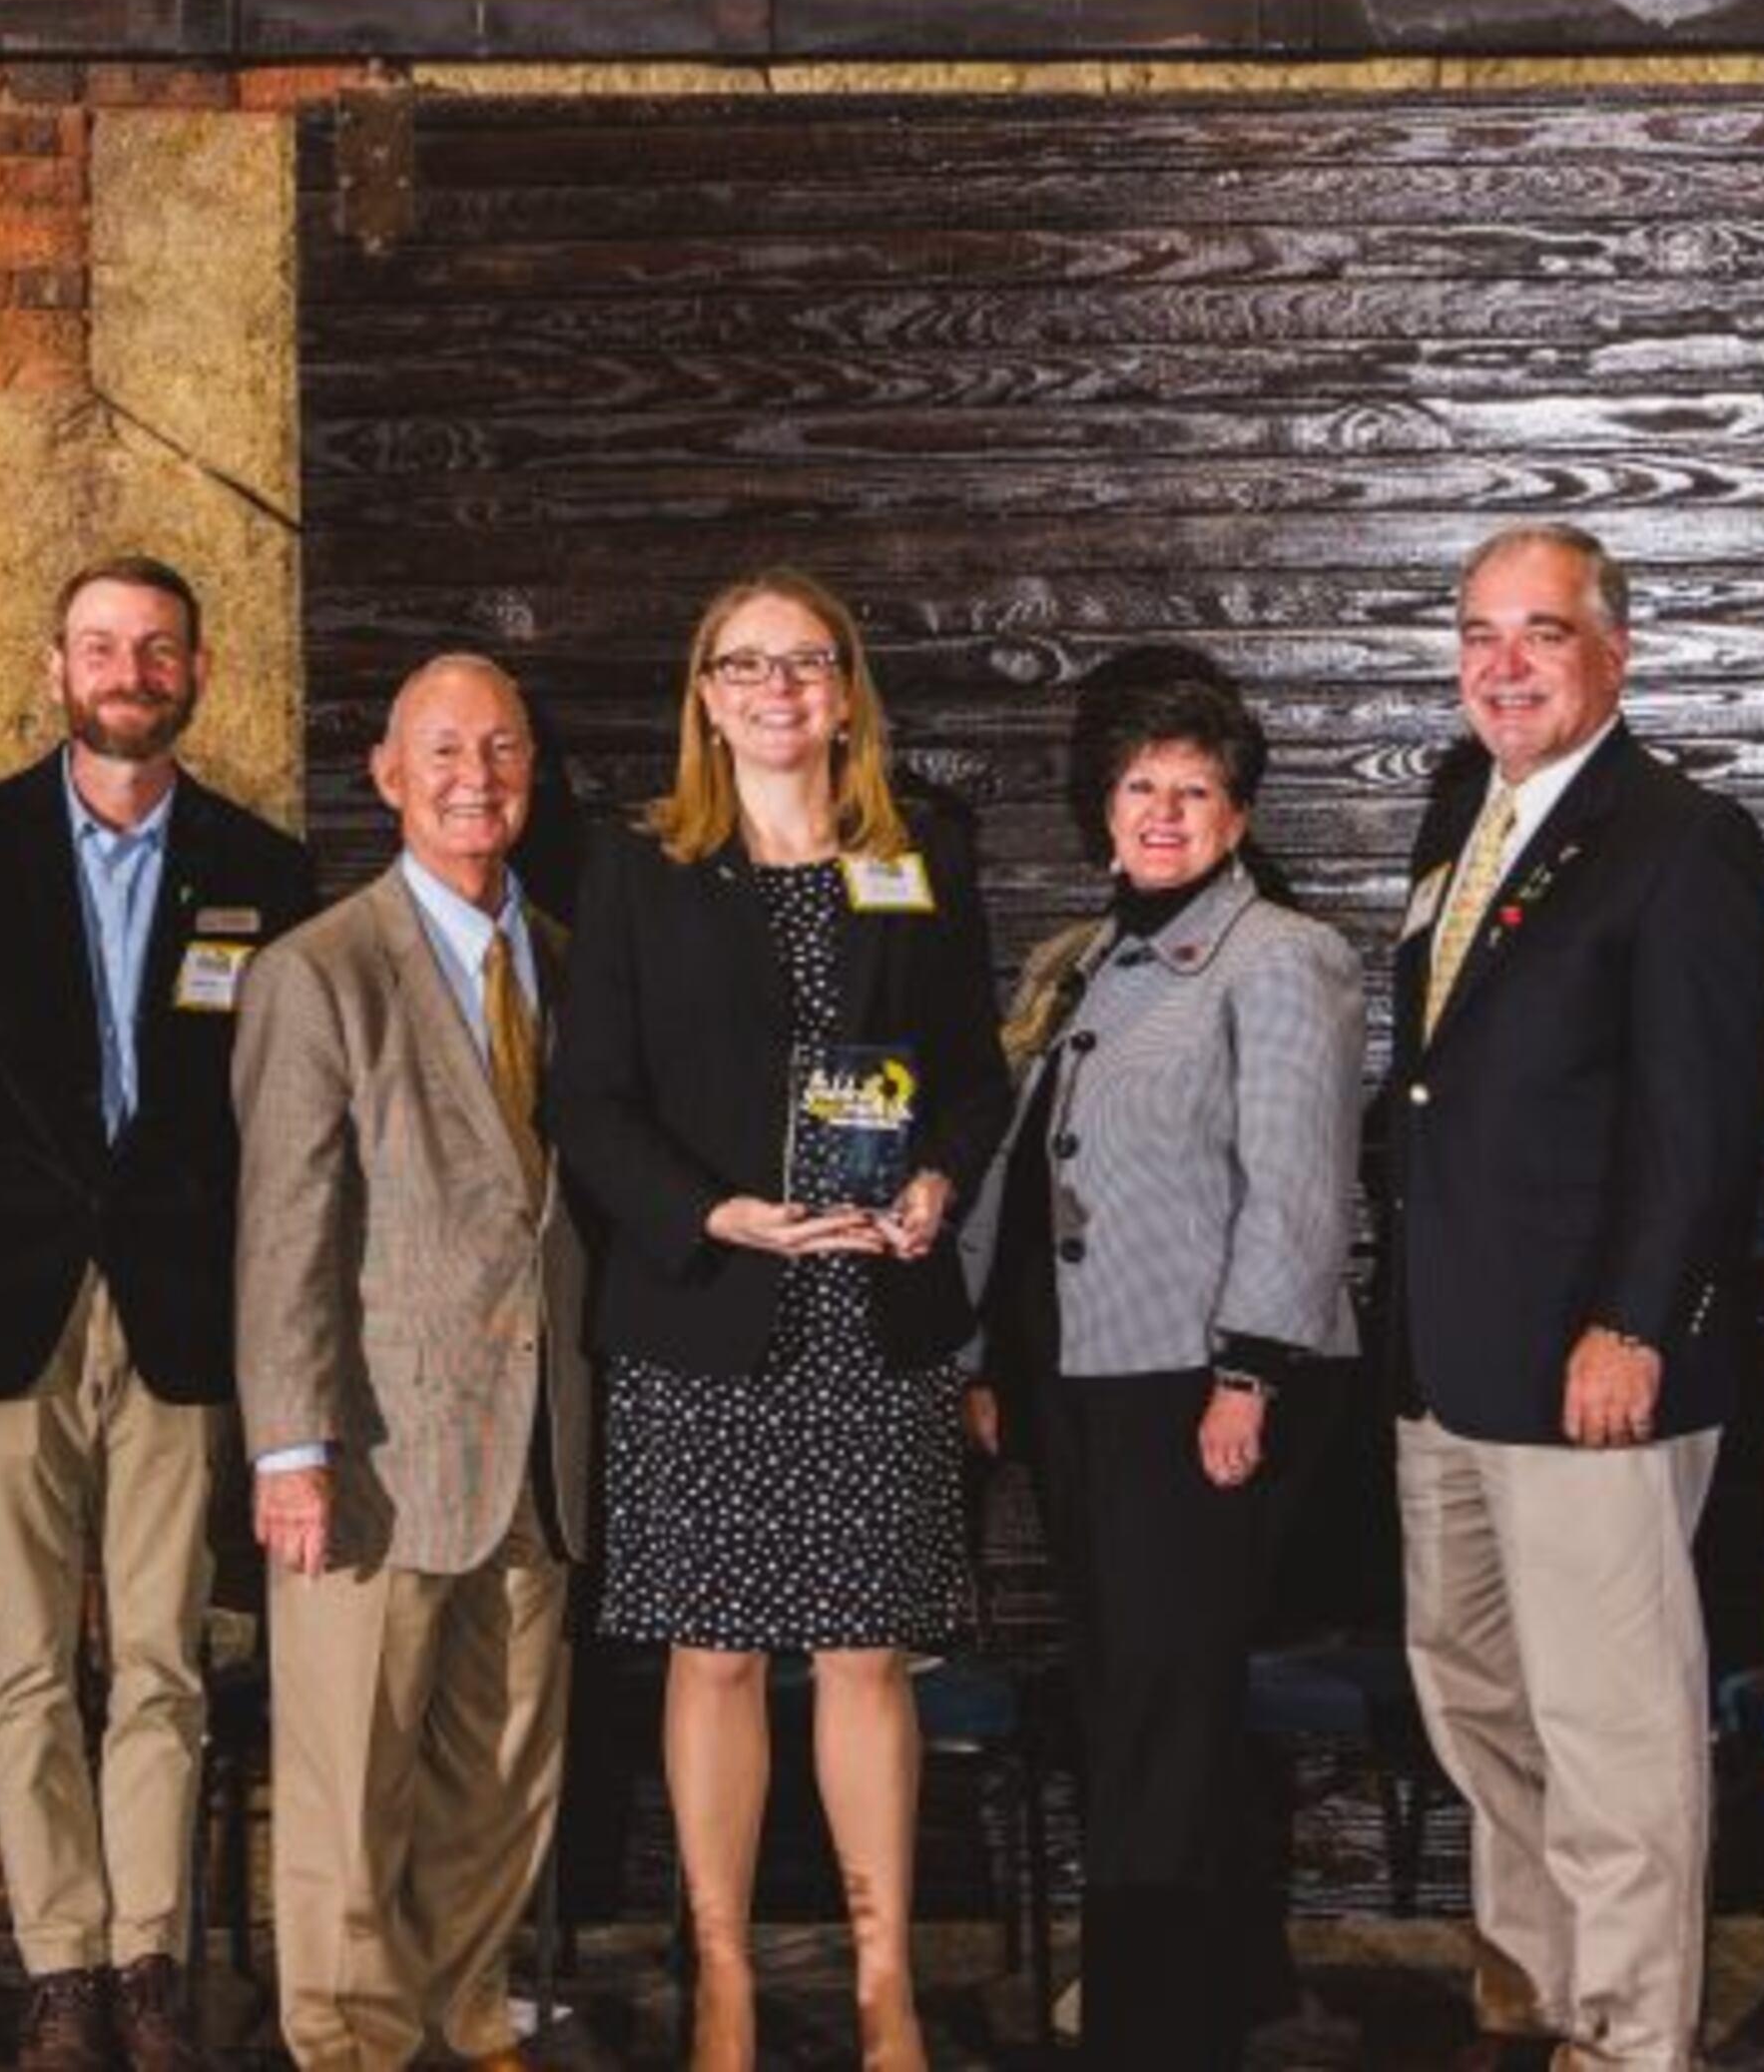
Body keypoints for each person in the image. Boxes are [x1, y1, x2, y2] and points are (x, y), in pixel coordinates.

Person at [547, 568, 1013, 2072]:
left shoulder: (920, 847)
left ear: (846, 688)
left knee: (870, 1652)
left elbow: (973, 1072)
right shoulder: (640, 863)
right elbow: (589, 1101)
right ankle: (727, 1980)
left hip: (873, 1307)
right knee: (718, 1655)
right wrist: (709, 1213)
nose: (777, 690)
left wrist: (939, 1174)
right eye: (744, 667)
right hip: (710, 1308)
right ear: (704, 695)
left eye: (806, 664)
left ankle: (886, 1986)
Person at [0, 556, 314, 2072]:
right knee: (25, 1661)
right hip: (8, 1312)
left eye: (158, 649)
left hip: (184, 1317)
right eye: (102, 646)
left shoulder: (265, 867)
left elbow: (279, 1114)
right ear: (55, 668)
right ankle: (58, 1961)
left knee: (166, 1658)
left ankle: (145, 1959)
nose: (129, 670)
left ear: (199, 673)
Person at [1362, 522, 1764, 2072]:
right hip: (1447, 1364)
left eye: (1542, 632)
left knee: (1615, 1738)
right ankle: (1536, 2001)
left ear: (1616, 651)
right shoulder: (1463, 816)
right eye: (1481, 633)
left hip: (1590, 1365)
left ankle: (1629, 2039)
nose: (1505, 664)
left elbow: (1701, 1119)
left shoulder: (1683, 841)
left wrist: (1635, 1321)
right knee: (1478, 1706)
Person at [957, 672, 1364, 2066]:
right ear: (1103, 814)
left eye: (1195, 790)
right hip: (1085, 1378)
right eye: (1141, 789)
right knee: (1133, 1688)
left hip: (1200, 1383)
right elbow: (1030, 1178)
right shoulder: (1088, 960)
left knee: (1165, 1705)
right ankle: (1223, 1983)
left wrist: (1246, 1375)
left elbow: (1300, 1191)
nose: (1166, 813)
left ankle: (1151, 2016)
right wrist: (987, 1353)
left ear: (1239, 813)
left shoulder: (1281, 955)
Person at [233, 654, 593, 2072]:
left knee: (504, 1767)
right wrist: (291, 1448)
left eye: (501, 750)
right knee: (350, 1775)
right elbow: (284, 1232)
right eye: (442, 750)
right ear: (385, 774)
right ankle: (349, 2040)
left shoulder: (568, 960)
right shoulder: (318, 972)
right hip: (371, 1452)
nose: (474, 778)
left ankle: (465, 2009)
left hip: (536, 1443)